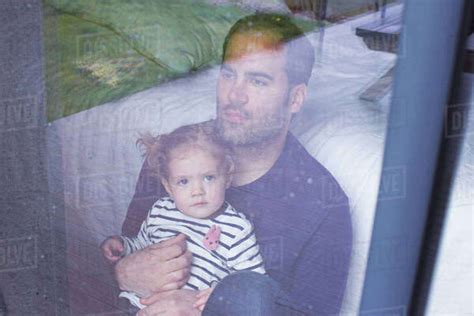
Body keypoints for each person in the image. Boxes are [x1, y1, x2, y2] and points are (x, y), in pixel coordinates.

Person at [109, 13, 352, 315]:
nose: (234, 95)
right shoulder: (176, 155)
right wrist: (122, 271)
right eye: (228, 74)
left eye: (257, 80)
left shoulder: (323, 205)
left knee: (251, 287)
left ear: (295, 99)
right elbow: (128, 252)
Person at [101, 122, 265, 311]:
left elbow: (253, 283)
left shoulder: (236, 228)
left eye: (209, 177)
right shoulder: (161, 210)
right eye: (183, 181)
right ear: (168, 187)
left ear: (227, 177)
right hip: (141, 306)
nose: (197, 191)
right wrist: (122, 246)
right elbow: (142, 245)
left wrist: (219, 295)